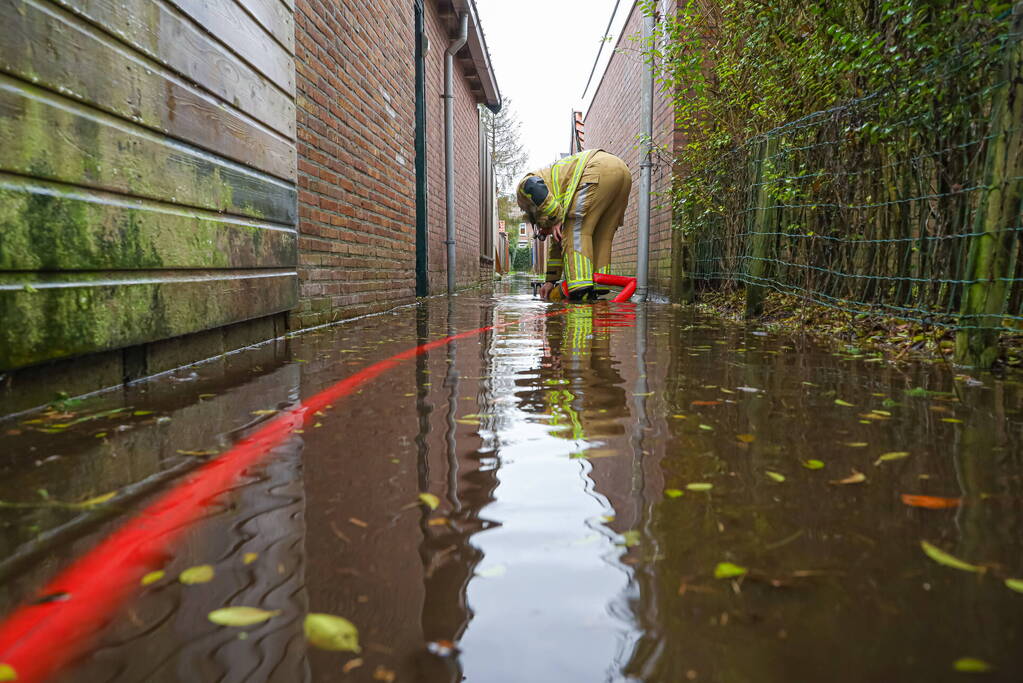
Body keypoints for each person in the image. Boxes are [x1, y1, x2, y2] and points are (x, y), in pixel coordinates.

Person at [516, 149, 632, 301]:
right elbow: (559, 244)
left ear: (536, 214)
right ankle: (599, 287)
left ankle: (580, 292)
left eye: (541, 230)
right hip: (623, 172)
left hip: (595, 170)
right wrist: (550, 281)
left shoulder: (525, 194)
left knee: (576, 230)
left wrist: (556, 217)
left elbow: (530, 185)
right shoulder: (554, 199)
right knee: (602, 237)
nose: (544, 233)